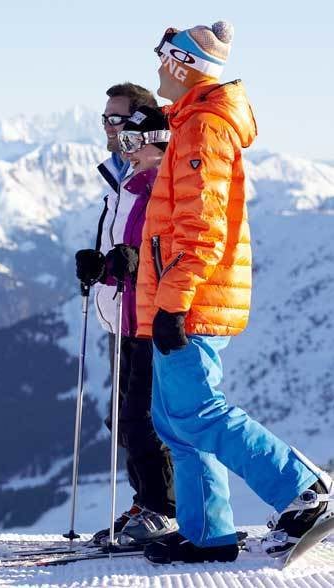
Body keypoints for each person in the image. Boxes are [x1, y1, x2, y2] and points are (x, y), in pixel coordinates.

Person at [139, 21, 332, 564]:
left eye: (163, 58)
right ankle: (209, 534)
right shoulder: (190, 125)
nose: (157, 69)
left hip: (191, 299)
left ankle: (304, 491)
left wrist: (174, 300)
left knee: (198, 410)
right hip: (178, 294)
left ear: (183, 64)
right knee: (173, 420)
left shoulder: (203, 129)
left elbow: (203, 229)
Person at [75, 87, 176, 546]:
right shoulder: (121, 175)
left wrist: (127, 262)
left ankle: (161, 508)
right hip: (120, 312)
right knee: (124, 419)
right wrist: (102, 265)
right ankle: (145, 502)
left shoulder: (156, 177)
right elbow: (121, 239)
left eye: (119, 119)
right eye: (107, 119)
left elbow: (157, 244)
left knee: (143, 417)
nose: (111, 128)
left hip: (147, 312)